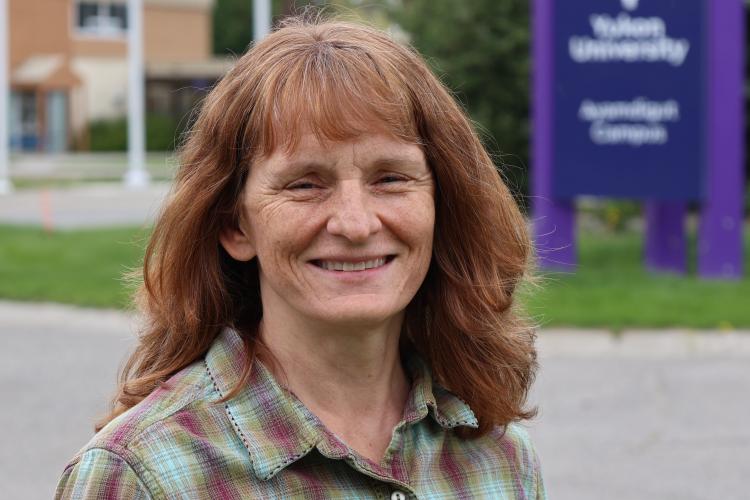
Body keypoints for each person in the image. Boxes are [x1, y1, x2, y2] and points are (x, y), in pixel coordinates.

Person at [56, 16, 545, 499]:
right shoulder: (145, 476)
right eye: (305, 184)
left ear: (443, 204)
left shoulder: (498, 457)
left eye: (390, 178)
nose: (356, 224)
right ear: (234, 224)